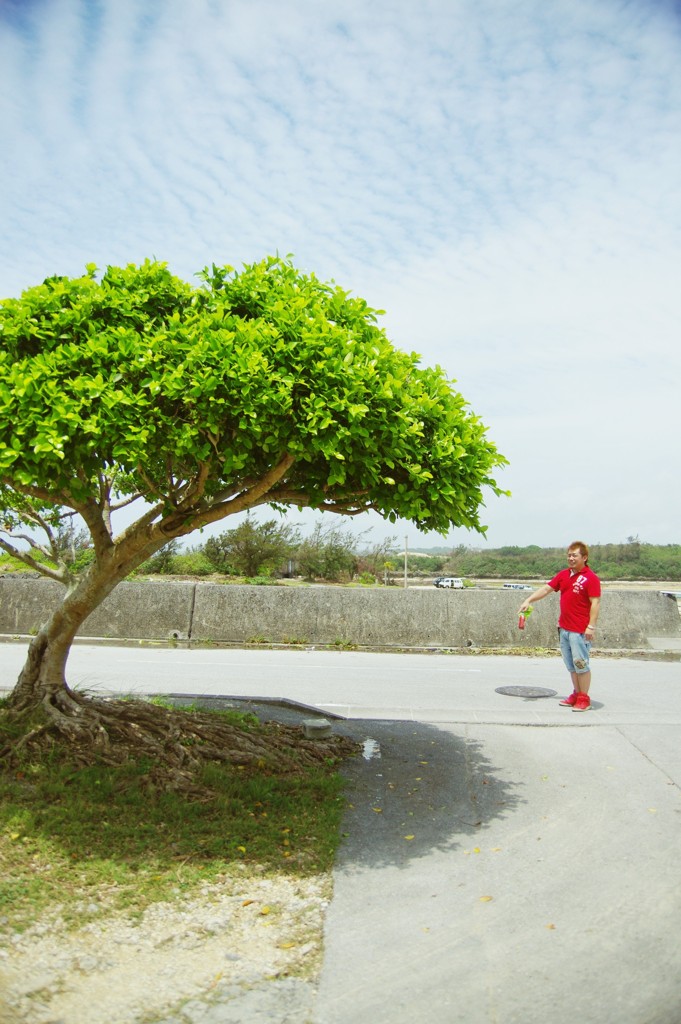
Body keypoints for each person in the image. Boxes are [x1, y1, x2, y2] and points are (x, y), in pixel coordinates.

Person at [518, 541, 601, 712]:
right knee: (571, 665)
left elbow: (595, 603)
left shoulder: (590, 578)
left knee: (581, 664)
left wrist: (591, 627)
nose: (570, 558)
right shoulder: (564, 575)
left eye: (574, 555)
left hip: (579, 631)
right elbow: (546, 589)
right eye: (569, 555)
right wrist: (529, 600)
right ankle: (577, 694)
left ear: (584, 558)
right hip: (564, 628)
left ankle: (584, 698)